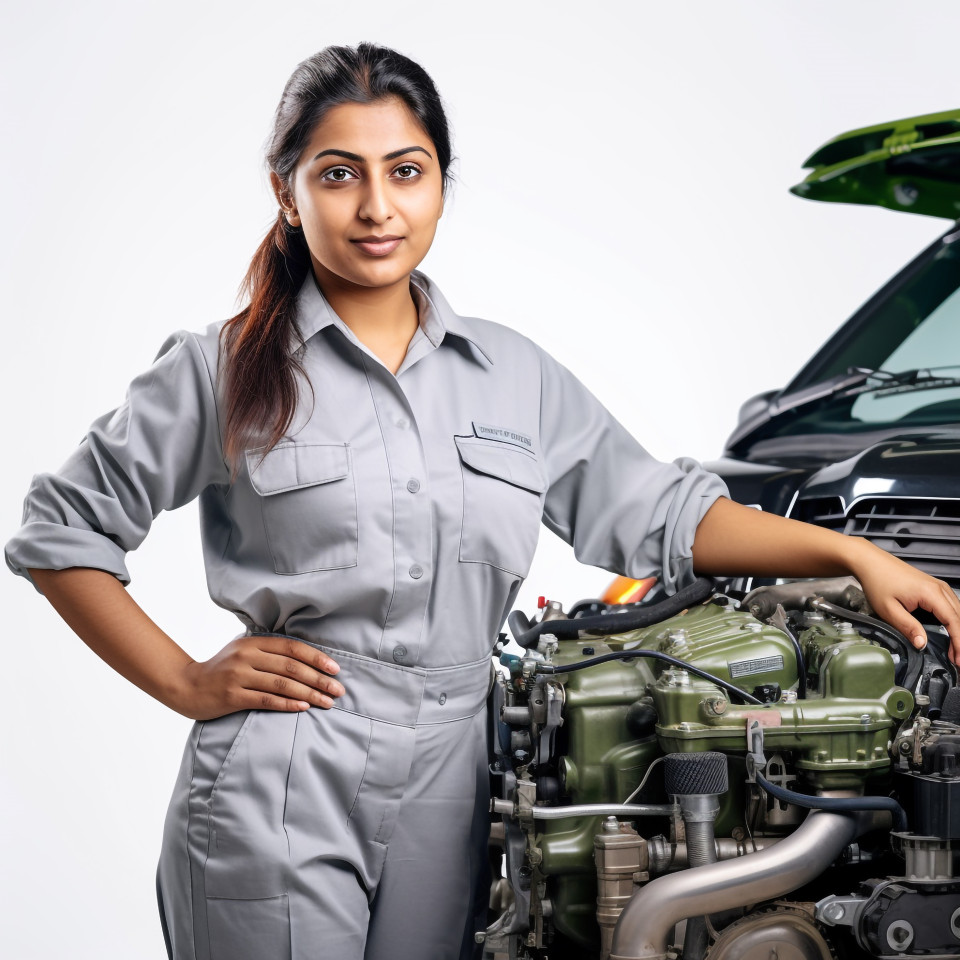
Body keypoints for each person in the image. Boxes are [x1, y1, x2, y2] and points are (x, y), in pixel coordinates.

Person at [6, 42, 960, 960]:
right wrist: (183, 681)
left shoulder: (513, 376)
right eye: (339, 175)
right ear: (286, 195)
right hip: (287, 776)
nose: (377, 206)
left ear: (440, 187)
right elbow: (60, 531)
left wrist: (855, 555)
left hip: (457, 779)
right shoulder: (222, 368)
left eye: (407, 172)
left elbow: (665, 514)